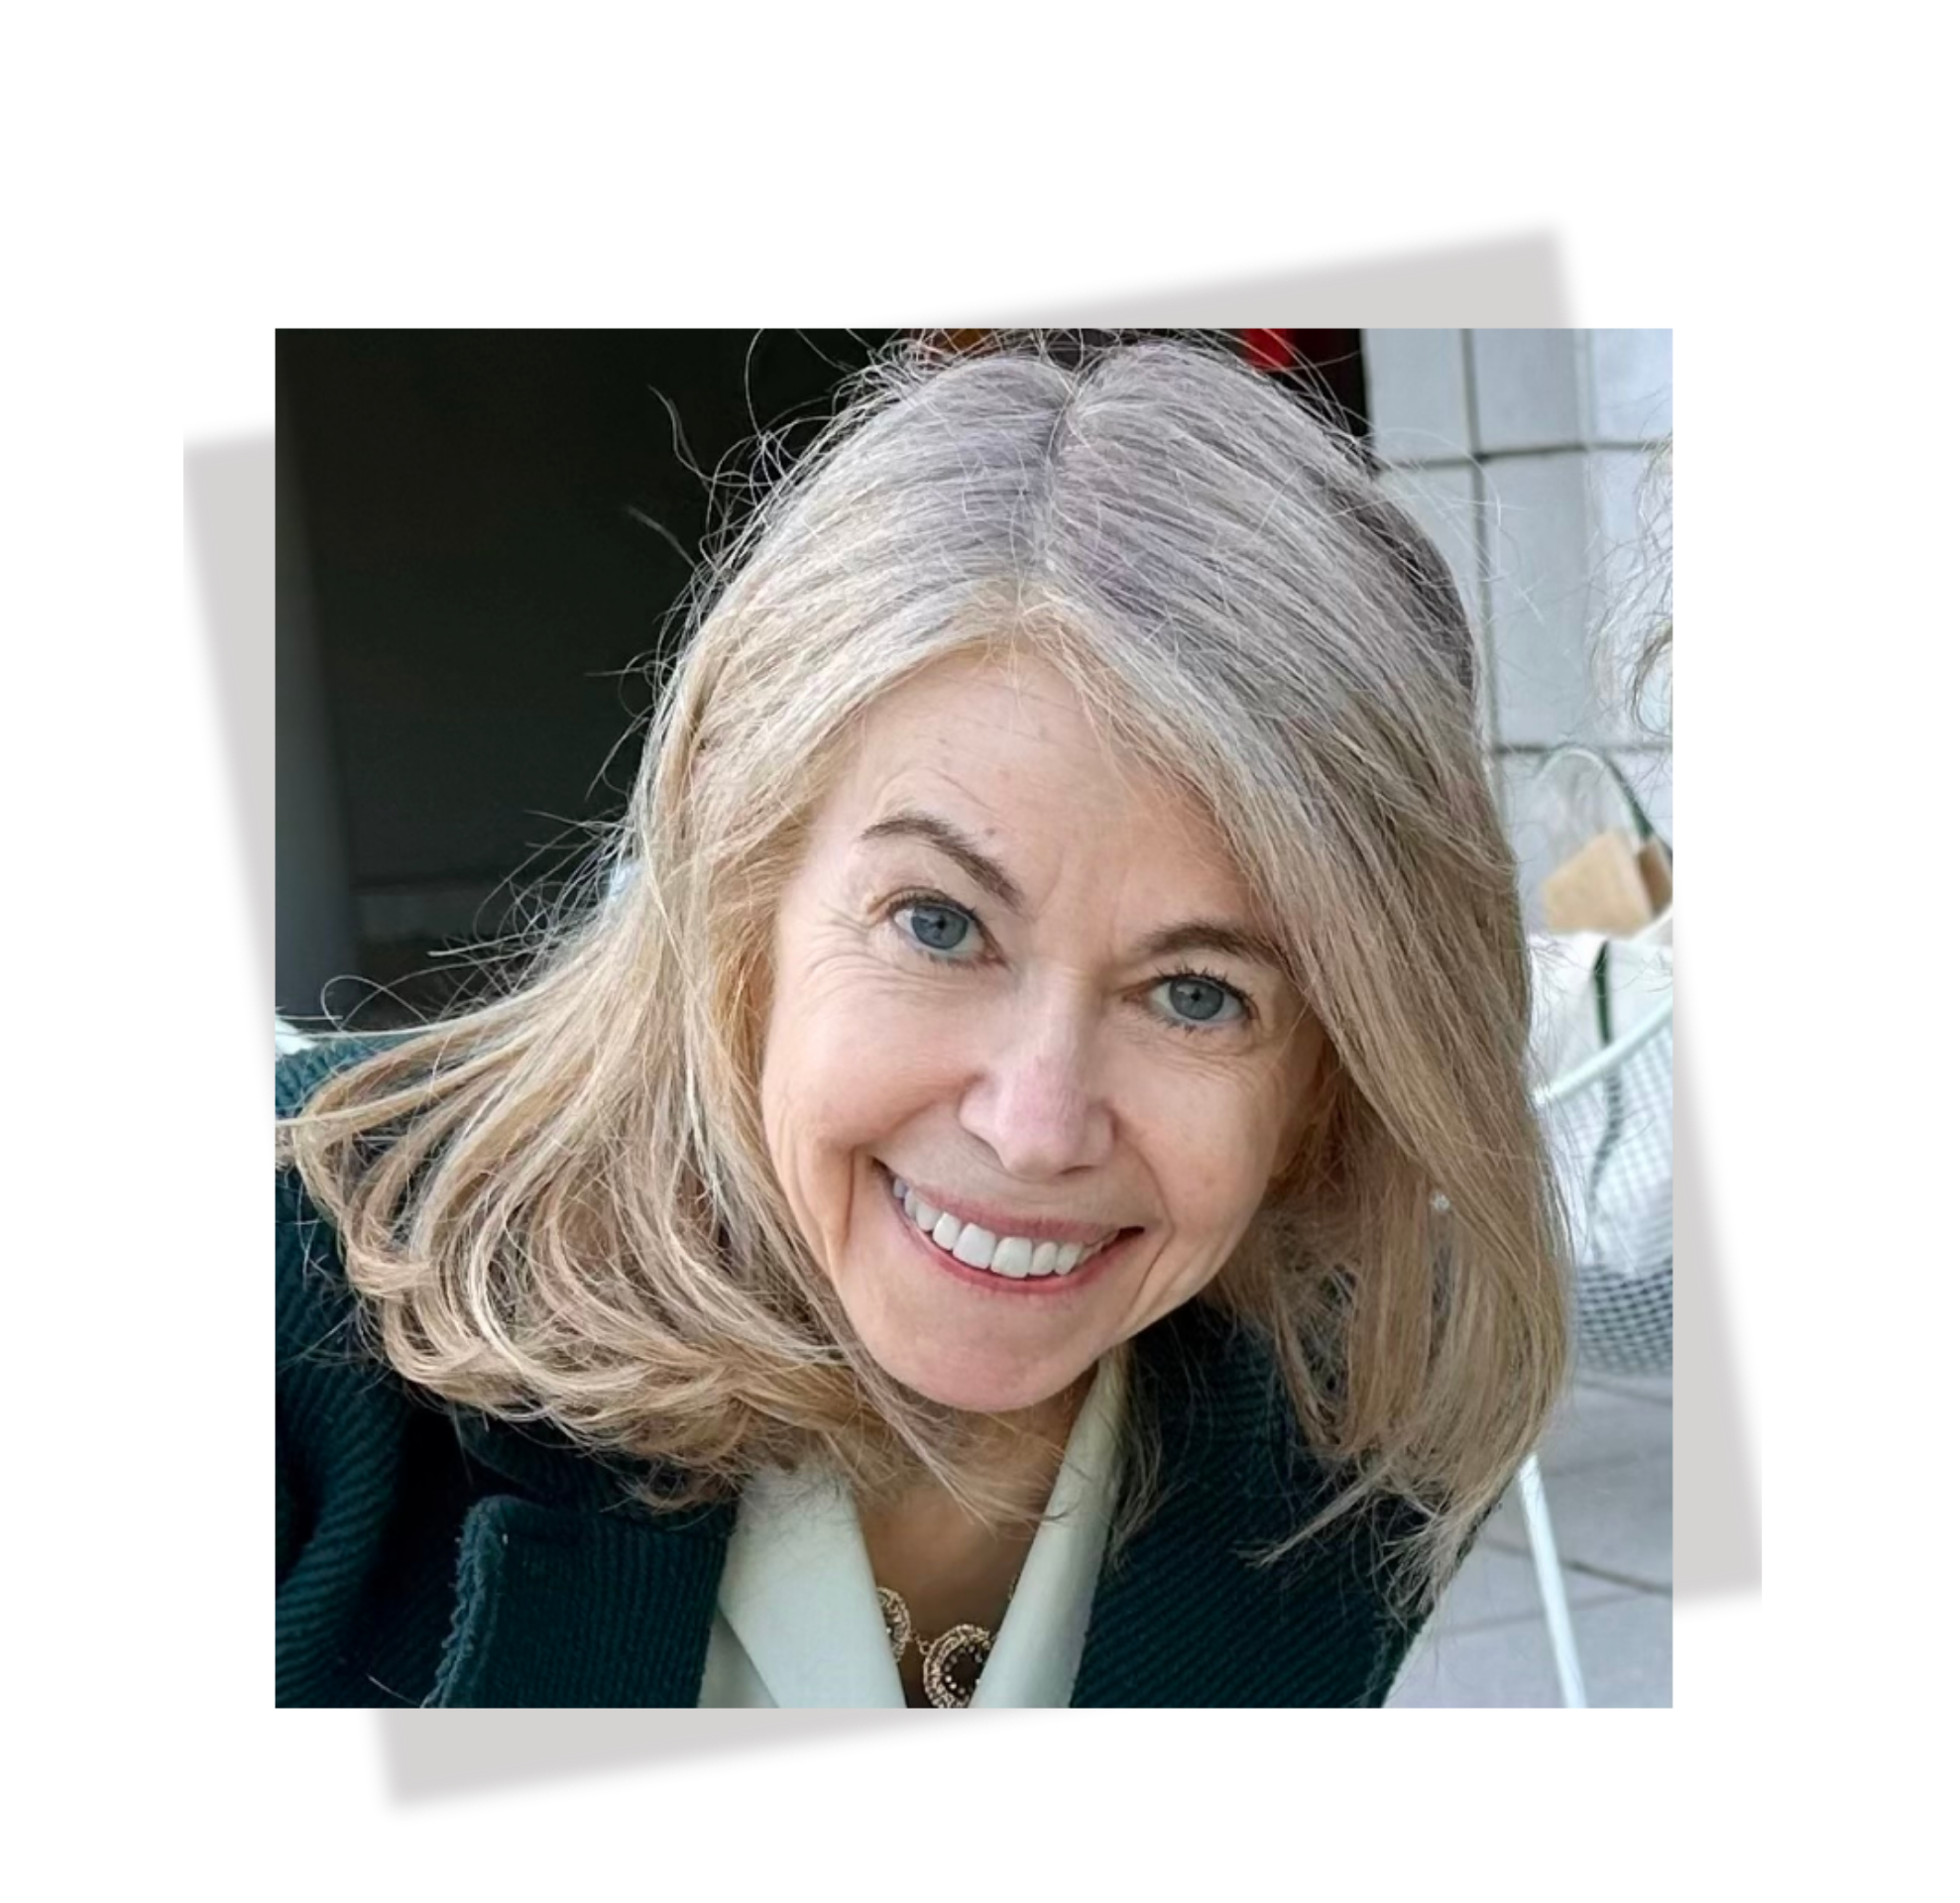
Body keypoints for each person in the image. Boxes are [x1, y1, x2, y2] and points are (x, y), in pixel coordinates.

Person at [274, 331, 1570, 1731]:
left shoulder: (1360, 1442)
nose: (1035, 1123)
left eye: (1198, 993)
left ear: (1322, 1077)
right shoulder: (307, 1308)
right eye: (939, 923)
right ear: (739, 876)